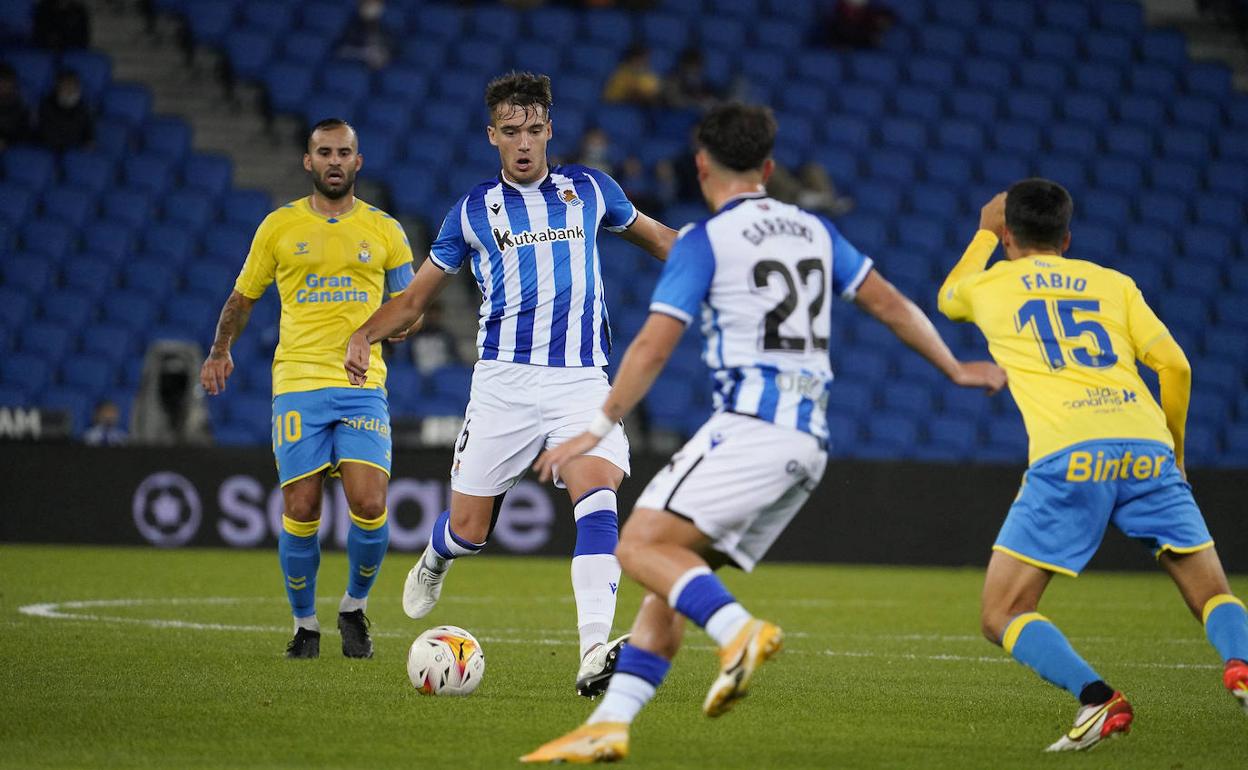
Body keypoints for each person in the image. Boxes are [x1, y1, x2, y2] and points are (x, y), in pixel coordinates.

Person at [519, 103, 1005, 763]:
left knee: (636, 547)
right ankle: (610, 722)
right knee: (671, 580)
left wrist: (595, 426)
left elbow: (653, 349)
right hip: (808, 444)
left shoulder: (705, 240)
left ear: (700, 166)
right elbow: (888, 302)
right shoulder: (814, 230)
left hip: (750, 428)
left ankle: (739, 630)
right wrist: (953, 365)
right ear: (769, 168)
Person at [343, 71, 677, 696]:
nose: (523, 142)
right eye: (510, 132)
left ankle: (591, 653)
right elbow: (414, 299)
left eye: (533, 129)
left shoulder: (591, 190)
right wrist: (364, 334)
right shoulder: (472, 212)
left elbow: (661, 240)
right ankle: (439, 555)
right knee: (469, 530)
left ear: (549, 130)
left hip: (581, 381)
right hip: (503, 385)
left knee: (598, 498)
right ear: (491, 136)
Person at [937, 180, 1248, 751]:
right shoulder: (1113, 283)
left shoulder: (989, 285)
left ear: (1009, 235)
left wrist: (983, 234)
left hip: (1070, 454)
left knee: (1001, 612)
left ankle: (1098, 699)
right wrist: (1174, 453)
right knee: (1212, 594)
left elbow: (948, 296)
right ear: (1067, 236)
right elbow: (1176, 367)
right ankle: (1242, 665)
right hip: (1146, 447)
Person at [199, 118, 416, 660]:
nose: (335, 160)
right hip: (296, 383)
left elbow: (409, 309)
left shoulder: (385, 229)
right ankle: (304, 625)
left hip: (362, 384)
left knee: (369, 502)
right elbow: (242, 299)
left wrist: (374, 333)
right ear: (308, 161)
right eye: (325, 152)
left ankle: (353, 608)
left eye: (345, 151)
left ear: (358, 162)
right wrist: (220, 349)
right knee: (300, 507)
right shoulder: (278, 226)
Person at [37, 71, 93, 151]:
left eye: (73, 86)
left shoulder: (83, 107)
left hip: (75, 152)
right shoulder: (46, 106)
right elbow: (47, 136)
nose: (70, 90)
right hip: (49, 151)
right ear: (58, 87)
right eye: (66, 86)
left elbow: (89, 135)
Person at [336, 0, 396, 70]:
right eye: (369, 4)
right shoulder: (351, 27)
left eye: (376, 5)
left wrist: (383, 55)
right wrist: (364, 53)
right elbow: (341, 51)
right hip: (356, 69)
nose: (372, 8)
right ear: (361, 7)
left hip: (381, 71)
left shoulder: (385, 29)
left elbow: (394, 52)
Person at [0, 64, 32, 151]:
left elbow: (26, 131)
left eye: (7, 83)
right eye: (1, 83)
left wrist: (7, 141)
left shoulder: (22, 103)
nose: (4, 87)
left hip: (15, 146)